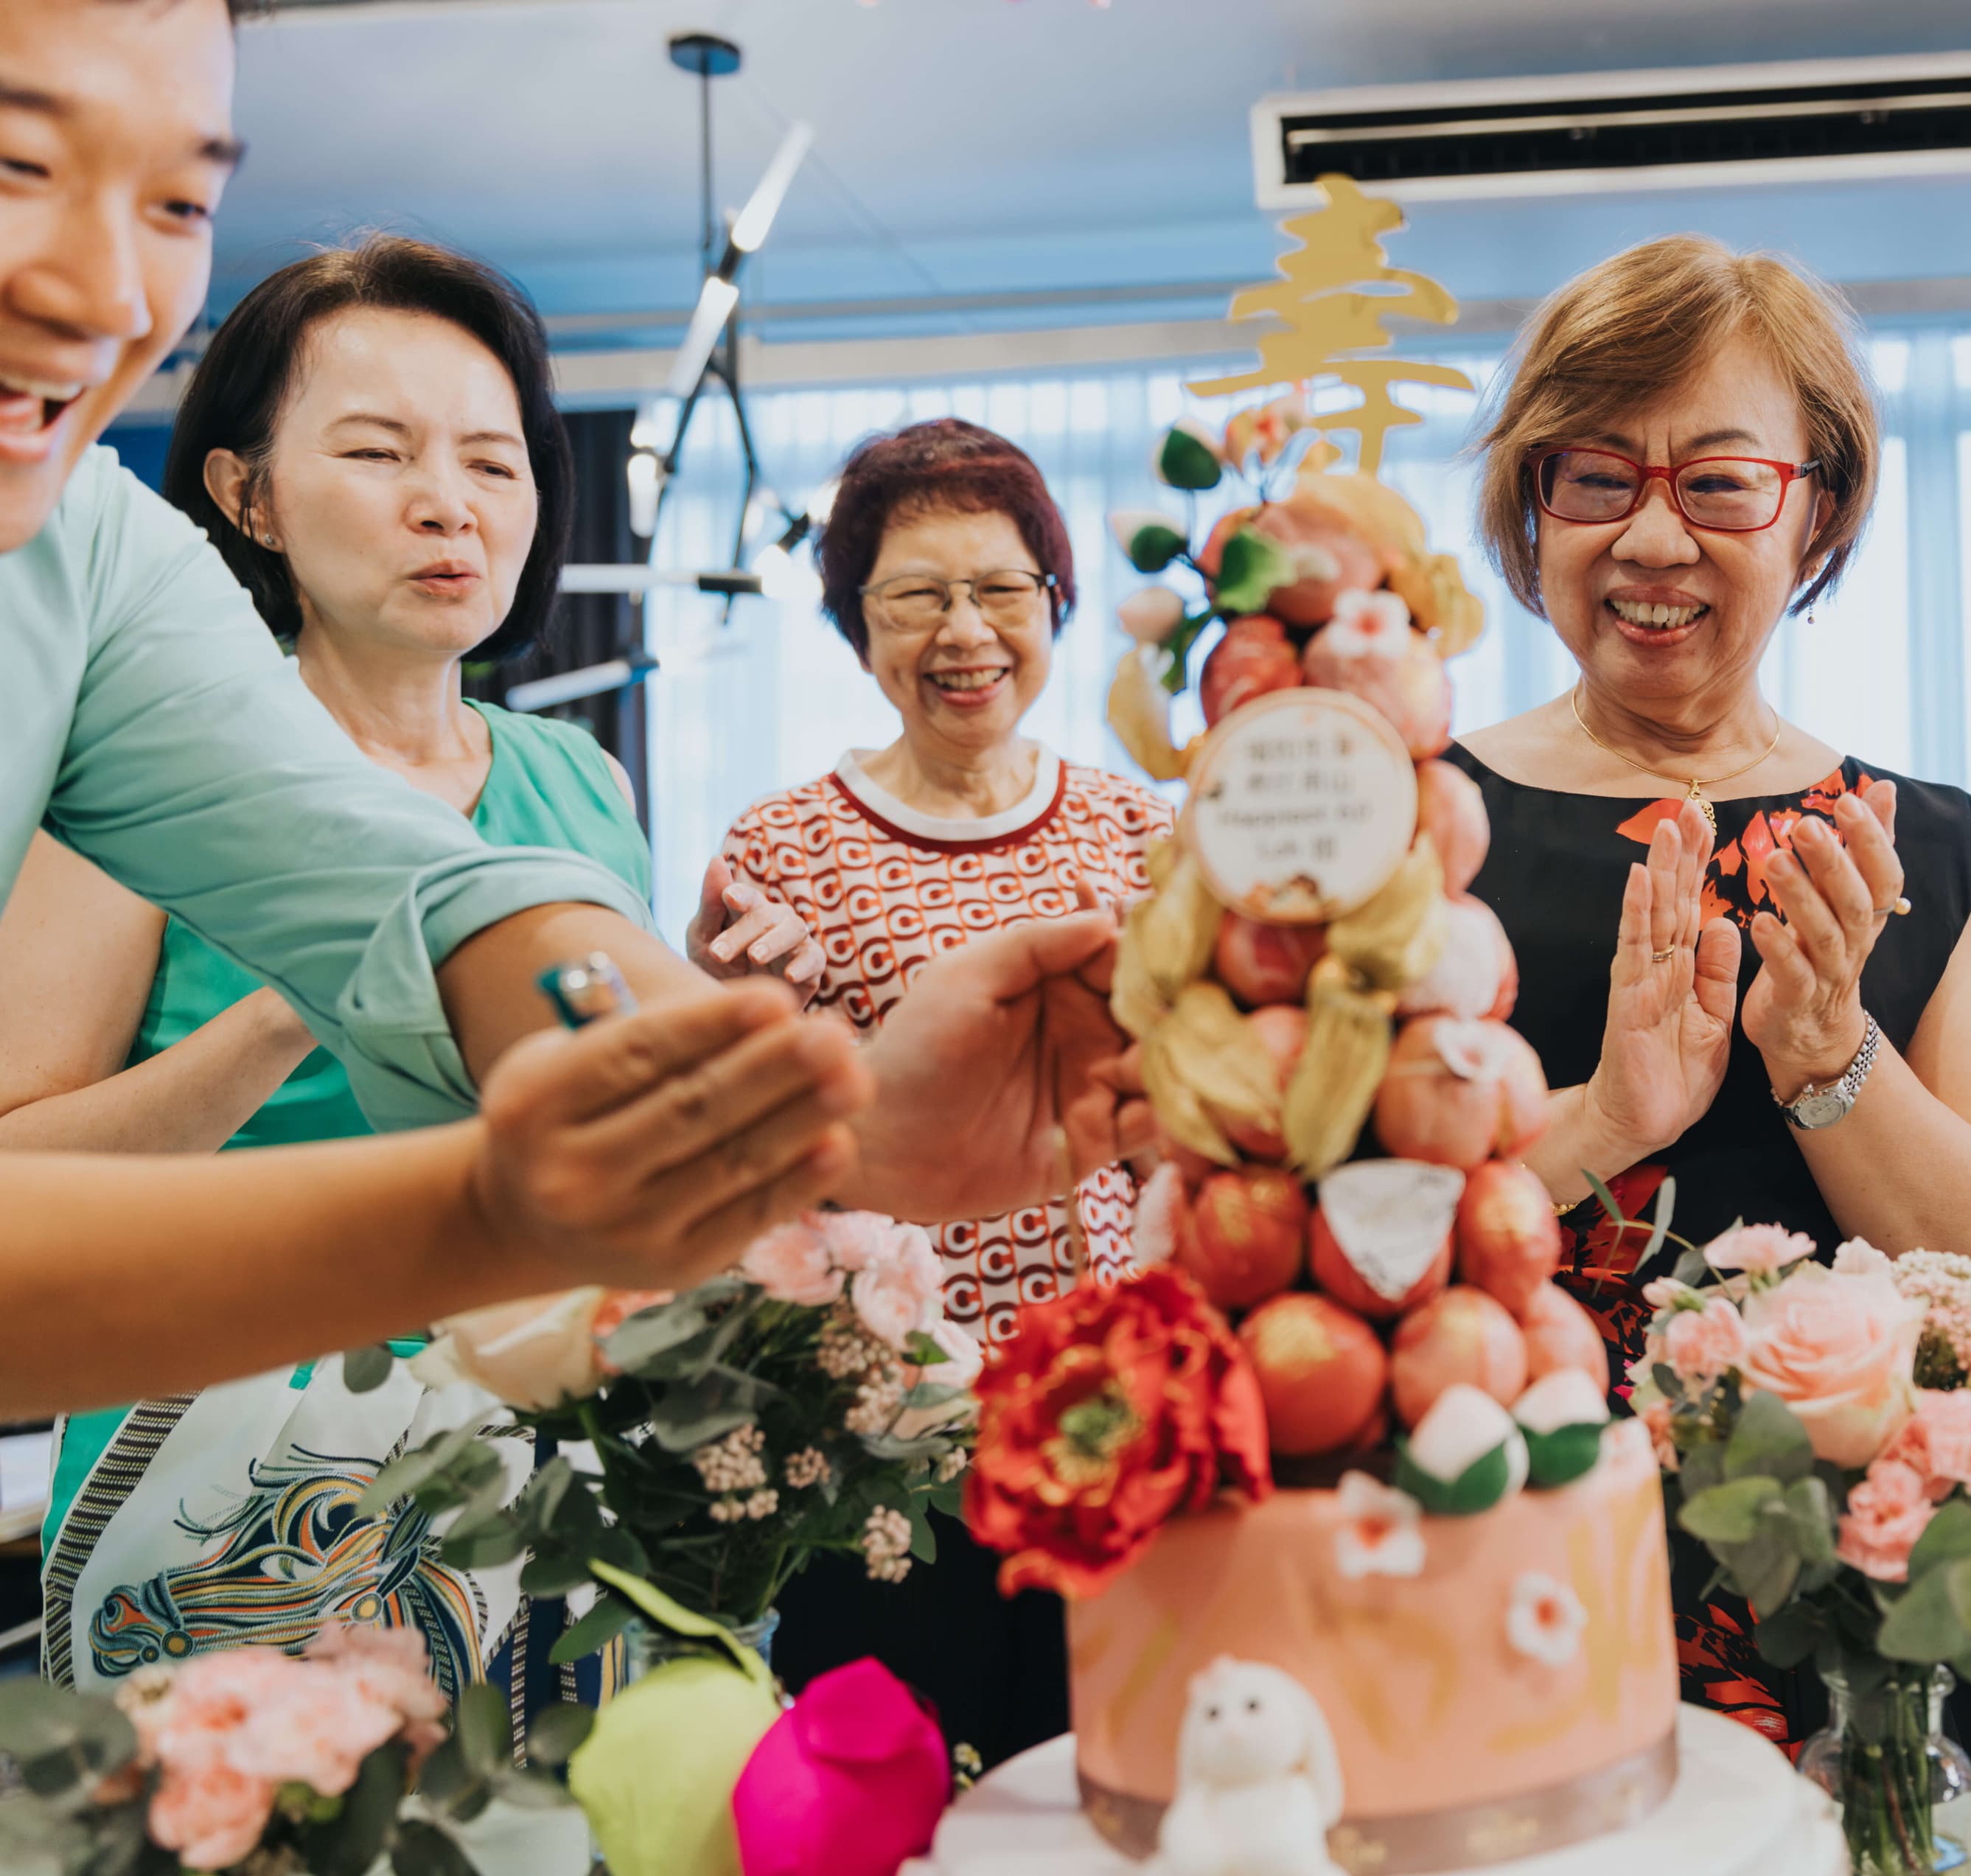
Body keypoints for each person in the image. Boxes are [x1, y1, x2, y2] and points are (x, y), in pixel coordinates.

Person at [0, 0, 1153, 1408]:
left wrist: (818, 1124)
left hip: (538, 1475)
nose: (106, 293)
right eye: (17, 165)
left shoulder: (98, 558)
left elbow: (430, 900)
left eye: (180, 201)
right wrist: (396, 1093)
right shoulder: (91, 687)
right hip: (215, 1491)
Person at [1, 234, 818, 1695]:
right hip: (224, 1482)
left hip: (549, 1461)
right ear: (242, 491)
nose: (449, 504)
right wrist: (303, 986)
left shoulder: (578, 778)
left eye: (497, 464)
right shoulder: (126, 788)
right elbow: (20, 1159)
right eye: (378, 452)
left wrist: (700, 1013)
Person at [1450, 236, 1971, 1794]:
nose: (1653, 534)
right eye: (1596, 477)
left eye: (1719, 481)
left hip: (1841, 1602)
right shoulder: (1417, 833)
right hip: (1491, 1558)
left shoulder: (1920, 849)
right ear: (1533, 509)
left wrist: (1824, 1054)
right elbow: (1332, 1258)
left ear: (1820, 510)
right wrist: (1605, 1121)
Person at [721, 417, 1175, 1765]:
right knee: (890, 1790)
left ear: (1056, 606)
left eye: (1001, 591)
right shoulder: (780, 848)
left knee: (1108, 1785)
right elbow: (762, 1155)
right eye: (916, 596)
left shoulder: (1139, 830)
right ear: (859, 625)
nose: (963, 631)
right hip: (881, 1439)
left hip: (1107, 1424)